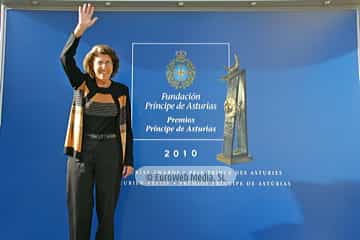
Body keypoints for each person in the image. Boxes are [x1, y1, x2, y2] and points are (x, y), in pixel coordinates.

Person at [60, 3, 134, 240]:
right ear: (91, 65)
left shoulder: (121, 91)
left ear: (114, 66)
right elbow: (65, 58)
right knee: (79, 209)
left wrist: (128, 160)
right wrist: (79, 30)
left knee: (107, 211)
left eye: (108, 62)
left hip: (110, 152)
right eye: (99, 62)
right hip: (81, 152)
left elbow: (126, 127)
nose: (104, 66)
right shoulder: (81, 84)